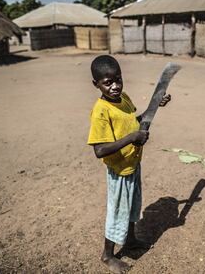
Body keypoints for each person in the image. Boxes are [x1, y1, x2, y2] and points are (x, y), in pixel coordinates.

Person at [87, 55, 171, 273]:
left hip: (133, 163)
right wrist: (132, 138)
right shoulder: (101, 111)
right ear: (96, 84)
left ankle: (130, 240)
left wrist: (155, 105)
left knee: (133, 206)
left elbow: (136, 120)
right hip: (118, 170)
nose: (115, 86)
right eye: (108, 83)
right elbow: (99, 150)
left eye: (118, 79)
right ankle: (107, 255)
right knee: (117, 212)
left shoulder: (123, 99)